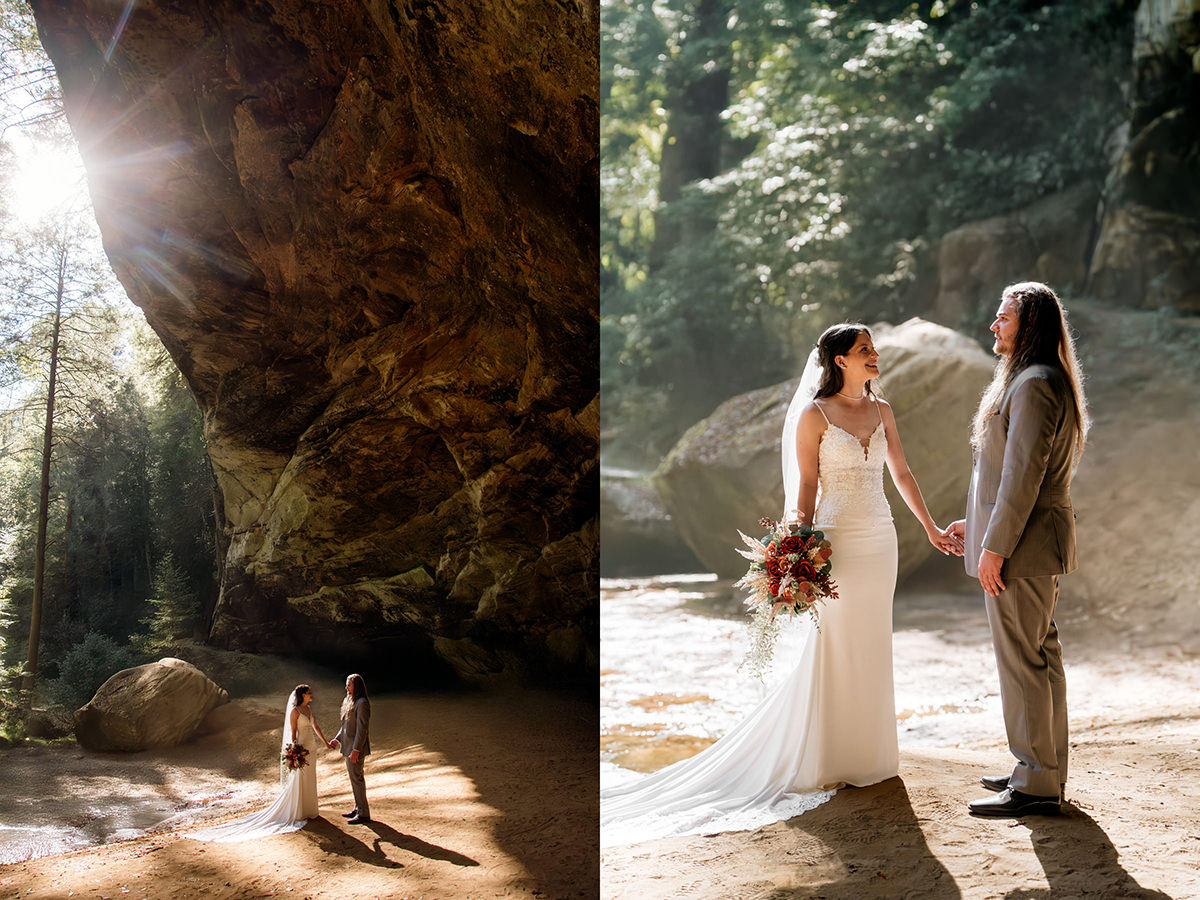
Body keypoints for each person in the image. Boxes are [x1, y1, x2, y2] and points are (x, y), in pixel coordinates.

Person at [600, 323, 960, 845]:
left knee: (873, 640)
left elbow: (902, 473)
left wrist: (929, 527)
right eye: (865, 350)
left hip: (880, 537)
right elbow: (807, 486)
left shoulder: (883, 412)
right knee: (834, 642)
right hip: (835, 542)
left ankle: (870, 756)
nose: (875, 355)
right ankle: (825, 755)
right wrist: (797, 546)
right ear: (839, 360)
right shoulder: (813, 416)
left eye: (873, 349)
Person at [945, 281, 1088, 818]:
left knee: (1023, 661)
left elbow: (1022, 477)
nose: (993, 326)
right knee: (1039, 656)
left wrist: (994, 546)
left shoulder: (1033, 383)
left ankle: (1034, 784)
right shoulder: (1038, 379)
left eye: (1003, 317)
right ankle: (1041, 771)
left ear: (1029, 324)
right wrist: (977, 521)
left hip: (1021, 549)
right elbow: (1005, 475)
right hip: (1024, 542)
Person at [189, 684, 329, 842]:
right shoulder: (295, 711)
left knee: (310, 777)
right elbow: (293, 732)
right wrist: (295, 749)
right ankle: (298, 810)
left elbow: (315, 726)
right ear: (302, 695)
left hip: (311, 746)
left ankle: (309, 809)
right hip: (302, 746)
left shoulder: (309, 710)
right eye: (309, 693)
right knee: (300, 777)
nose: (311, 695)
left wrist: (325, 742)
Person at [329, 673, 371, 824]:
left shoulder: (362, 703)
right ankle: (358, 807)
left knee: (357, 779)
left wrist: (356, 750)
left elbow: (362, 729)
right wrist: (337, 739)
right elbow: (345, 726)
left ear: (356, 686)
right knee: (354, 779)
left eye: (349, 684)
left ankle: (363, 813)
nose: (346, 687)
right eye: (346, 684)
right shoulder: (349, 700)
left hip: (355, 748)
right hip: (348, 746)